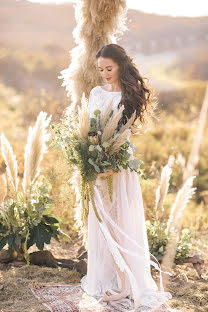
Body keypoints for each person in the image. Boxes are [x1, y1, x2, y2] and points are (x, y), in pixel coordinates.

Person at [79, 44, 178, 312]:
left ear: (121, 65)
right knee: (102, 224)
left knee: (120, 220)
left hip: (120, 168)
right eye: (101, 69)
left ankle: (126, 281)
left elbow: (126, 136)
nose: (105, 74)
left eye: (109, 68)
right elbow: (90, 129)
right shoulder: (96, 93)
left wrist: (112, 164)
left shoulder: (129, 94)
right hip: (98, 167)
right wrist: (92, 159)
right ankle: (110, 278)